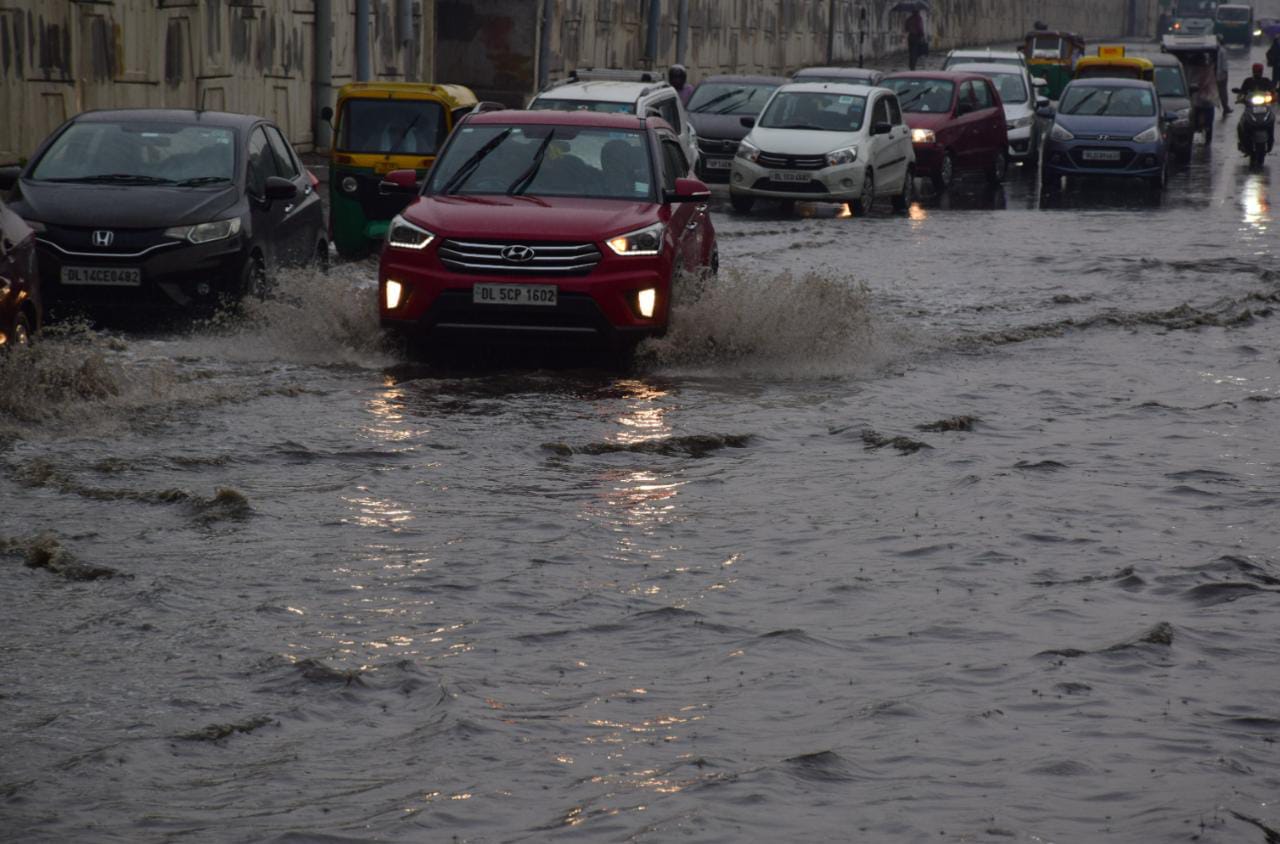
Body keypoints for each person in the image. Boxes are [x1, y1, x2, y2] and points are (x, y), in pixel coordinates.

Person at [1217, 42, 1232, 117]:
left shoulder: (1216, 50)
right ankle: (1225, 107)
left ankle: (1225, 107)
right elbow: (1224, 65)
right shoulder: (1222, 50)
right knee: (1223, 91)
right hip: (1221, 74)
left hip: (1216, 74)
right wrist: (1224, 74)